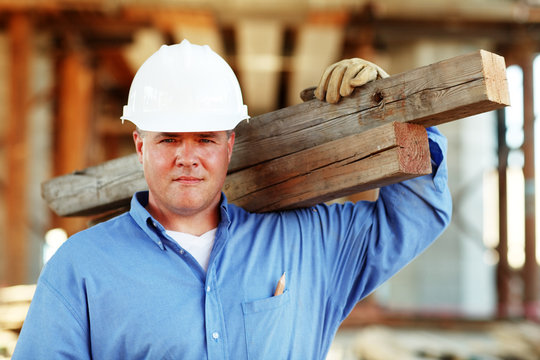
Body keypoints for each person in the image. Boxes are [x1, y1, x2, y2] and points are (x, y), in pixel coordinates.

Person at [13, 39, 451, 359]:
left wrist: (394, 108)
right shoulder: (81, 267)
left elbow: (417, 213)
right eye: (168, 139)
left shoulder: (308, 244)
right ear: (140, 146)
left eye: (205, 138)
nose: (187, 158)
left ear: (228, 145)